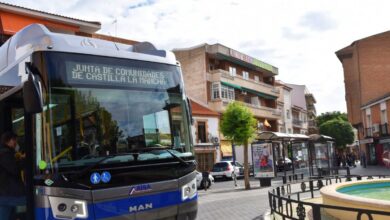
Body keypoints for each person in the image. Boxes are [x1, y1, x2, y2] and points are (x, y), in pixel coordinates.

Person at [0, 131, 26, 219]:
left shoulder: (6, 153)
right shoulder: (5, 154)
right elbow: (14, 169)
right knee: (31, 202)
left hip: (6, 194)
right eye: (15, 140)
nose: (16, 143)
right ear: (10, 140)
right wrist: (24, 160)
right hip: (10, 194)